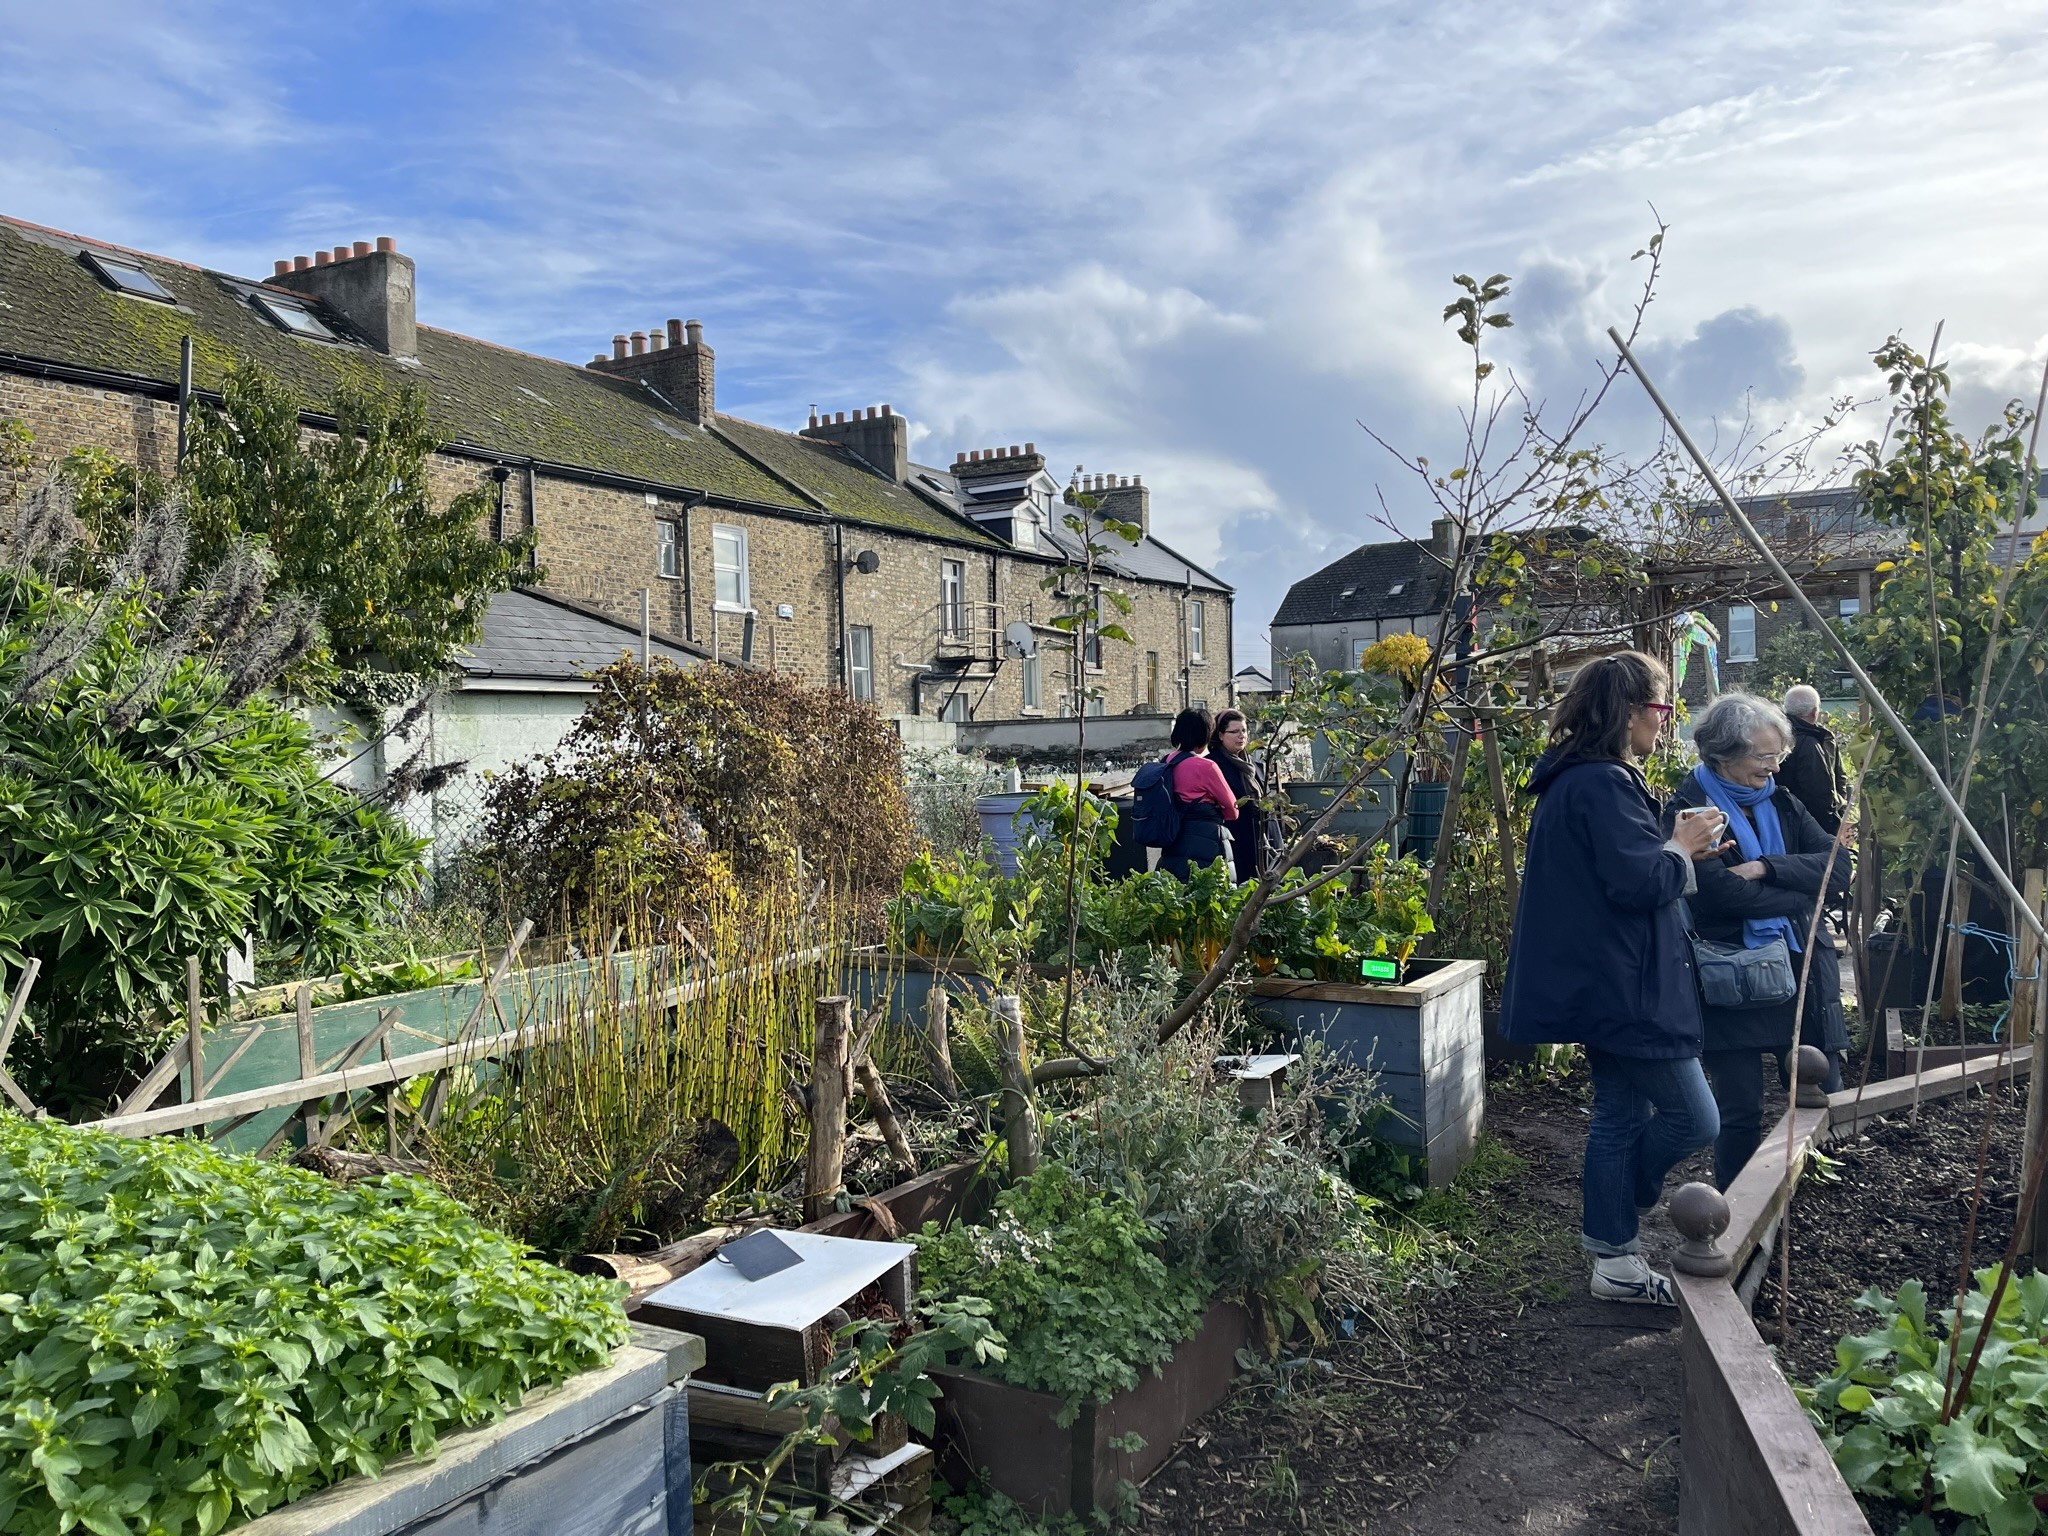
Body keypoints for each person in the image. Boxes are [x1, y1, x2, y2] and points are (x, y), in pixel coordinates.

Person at [1499, 652, 1724, 1306]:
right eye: (1660, 709)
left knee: (1619, 1118)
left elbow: (1616, 872)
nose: (1665, 722)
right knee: (1694, 1118)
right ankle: (1622, 1201)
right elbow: (1637, 882)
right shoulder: (1602, 782)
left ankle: (1614, 1261)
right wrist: (1680, 851)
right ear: (1628, 713)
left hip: (1609, 984)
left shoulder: (1581, 779)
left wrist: (1678, 846)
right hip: (1629, 992)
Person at [1664, 693, 1851, 1190]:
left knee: (1821, 1092)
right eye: (1763, 757)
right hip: (1735, 980)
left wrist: (1768, 867)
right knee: (1740, 1111)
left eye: (1777, 756)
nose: (1773, 767)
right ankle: (1737, 1213)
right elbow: (1719, 897)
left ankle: (1808, 1202)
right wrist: (1799, 898)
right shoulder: (1689, 813)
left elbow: (1839, 868)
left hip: (1803, 967)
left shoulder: (1782, 801)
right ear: (1723, 755)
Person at [1155, 708, 1239, 880]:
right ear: (1206, 734)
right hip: (1207, 846)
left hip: (1173, 843)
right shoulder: (1207, 767)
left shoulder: (1166, 763)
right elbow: (1233, 809)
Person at [1776, 684, 1848, 835]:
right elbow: (1819, 794)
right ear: (1815, 711)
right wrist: (1833, 822)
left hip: (1782, 823)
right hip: (1812, 828)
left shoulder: (1775, 736)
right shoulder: (1809, 743)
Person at [1208, 708, 1269, 881]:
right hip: (1237, 839)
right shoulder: (1213, 765)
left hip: (1263, 839)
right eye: (1234, 731)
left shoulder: (1254, 766)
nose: (1241, 736)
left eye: (1243, 730)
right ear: (1220, 735)